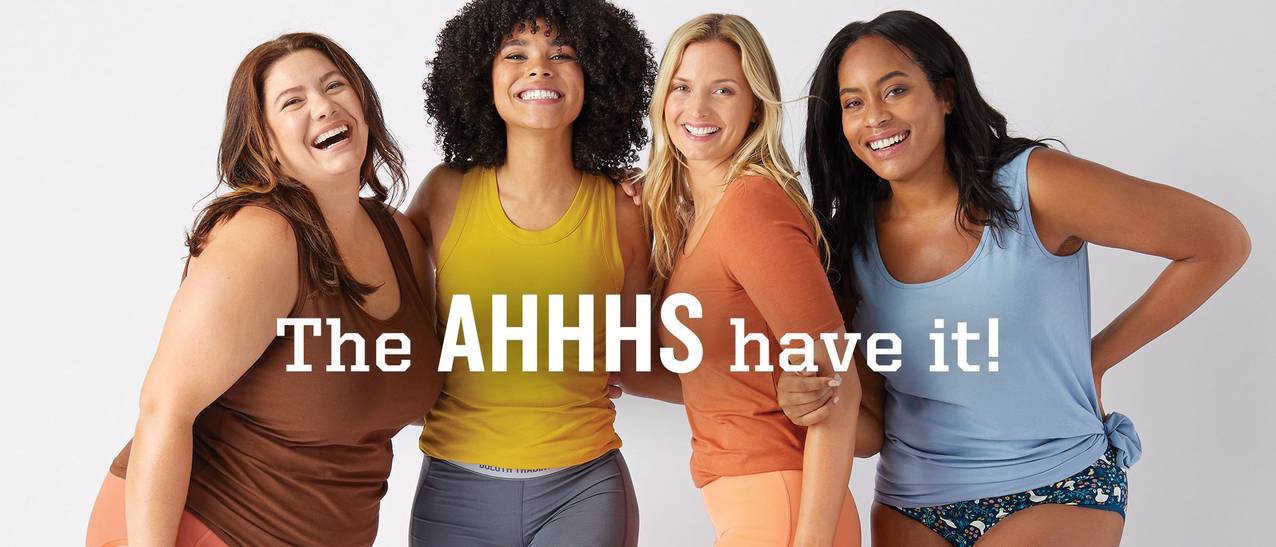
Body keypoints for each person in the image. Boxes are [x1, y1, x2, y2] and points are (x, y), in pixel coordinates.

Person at [781, 10, 1250, 546]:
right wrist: (809, 398)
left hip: (1058, 482)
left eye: (895, 90)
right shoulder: (843, 243)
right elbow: (870, 430)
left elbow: (1218, 244)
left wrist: (1094, 359)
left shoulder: (1035, 186)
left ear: (947, 95)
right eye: (853, 102)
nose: (875, 118)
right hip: (913, 501)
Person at [84, 32, 443, 547]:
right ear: (267, 145)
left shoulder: (399, 236)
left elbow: (409, 392)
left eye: (334, 85)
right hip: (200, 526)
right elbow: (165, 408)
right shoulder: (264, 238)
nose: (322, 106)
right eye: (292, 101)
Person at [405, 1, 676, 545]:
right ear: (480, 76)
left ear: (596, 77)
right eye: (515, 53)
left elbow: (634, 360)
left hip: (584, 488)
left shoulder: (626, 207)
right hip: (452, 490)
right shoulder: (445, 191)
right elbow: (393, 337)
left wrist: (757, 388)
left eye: (562, 54)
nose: (539, 67)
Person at [641, 13, 862, 547]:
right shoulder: (695, 216)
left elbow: (841, 383)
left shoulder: (752, 207)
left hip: (784, 506)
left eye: (723, 90)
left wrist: (809, 540)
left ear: (755, 106)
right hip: (747, 499)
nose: (697, 110)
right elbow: (717, 381)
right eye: (682, 87)